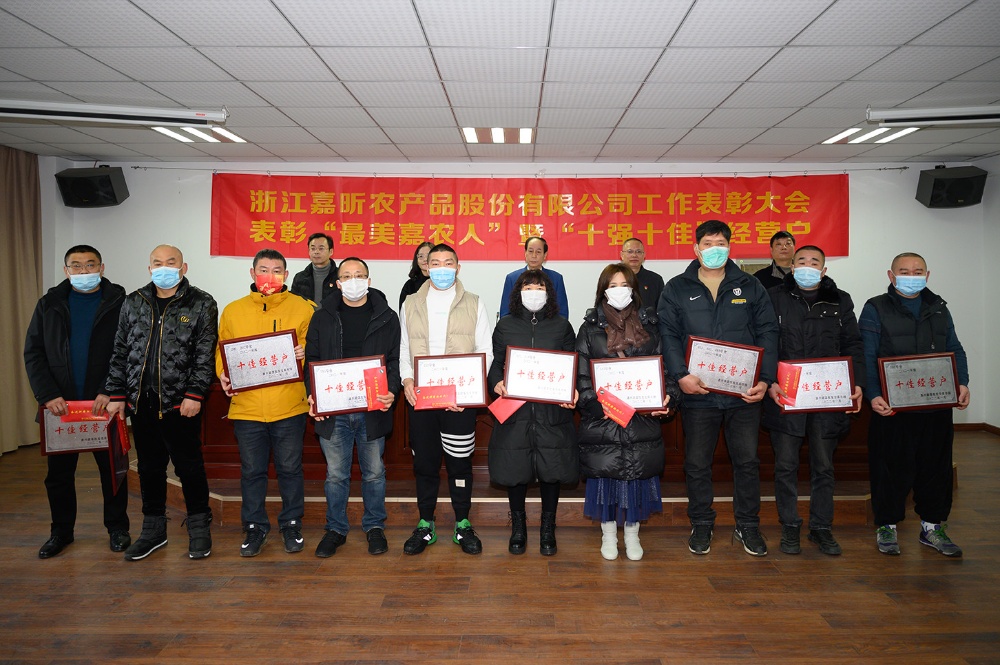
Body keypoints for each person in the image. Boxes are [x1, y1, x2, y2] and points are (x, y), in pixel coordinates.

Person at [658, 219, 778, 557]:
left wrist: (765, 379)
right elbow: (668, 334)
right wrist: (681, 375)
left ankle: (747, 525)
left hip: (744, 394)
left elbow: (768, 331)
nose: (715, 250)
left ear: (729, 247)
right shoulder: (677, 287)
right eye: (708, 244)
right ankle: (701, 522)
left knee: (747, 462)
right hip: (699, 393)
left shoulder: (750, 285)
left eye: (721, 243)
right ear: (696, 249)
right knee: (697, 463)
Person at [105, 245, 217, 561]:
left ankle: (199, 526)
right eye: (157, 263)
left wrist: (195, 393)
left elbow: (204, 354)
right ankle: (153, 530)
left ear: (183, 267)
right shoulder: (133, 302)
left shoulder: (201, 302)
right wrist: (116, 394)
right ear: (149, 268)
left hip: (181, 403)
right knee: (149, 468)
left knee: (189, 467)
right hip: (141, 403)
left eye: (171, 262)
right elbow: (120, 351)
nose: (163, 267)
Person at [859, 252, 969, 557]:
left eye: (918, 271)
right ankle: (887, 526)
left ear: (927, 275)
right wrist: (873, 394)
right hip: (892, 407)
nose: (912, 275)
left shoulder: (939, 307)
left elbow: (955, 348)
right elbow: (867, 354)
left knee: (936, 468)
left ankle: (932, 527)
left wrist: (962, 382)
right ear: (891, 275)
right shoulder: (875, 307)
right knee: (890, 468)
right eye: (904, 271)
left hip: (936, 405)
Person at [24, 245, 130, 559]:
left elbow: (128, 351)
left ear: (102, 267)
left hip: (105, 405)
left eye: (90, 265)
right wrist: (47, 395)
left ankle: (117, 528)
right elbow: (34, 352)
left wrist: (110, 390)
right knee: (58, 476)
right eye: (77, 266)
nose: (84, 271)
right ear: (66, 270)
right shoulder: (49, 304)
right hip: (61, 407)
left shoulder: (120, 302)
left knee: (113, 471)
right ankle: (61, 532)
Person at [763, 245, 865, 556]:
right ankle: (790, 526)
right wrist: (769, 381)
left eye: (815, 262)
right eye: (802, 261)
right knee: (785, 466)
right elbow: (764, 341)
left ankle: (821, 528)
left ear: (824, 270)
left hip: (826, 397)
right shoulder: (773, 297)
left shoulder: (840, 300)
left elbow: (853, 343)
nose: (808, 266)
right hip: (786, 394)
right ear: (792, 266)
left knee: (823, 466)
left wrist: (857, 383)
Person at [217, 249, 314, 557]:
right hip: (247, 407)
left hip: (289, 405)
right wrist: (223, 373)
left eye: (276, 270)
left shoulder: (304, 308)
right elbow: (222, 351)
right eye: (263, 270)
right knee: (252, 471)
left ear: (286, 275)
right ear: (252, 273)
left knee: (290, 469)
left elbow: (317, 347)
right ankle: (254, 527)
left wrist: (304, 351)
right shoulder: (233, 311)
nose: (269, 276)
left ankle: (291, 524)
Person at [577, 263, 677, 561]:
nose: (619, 290)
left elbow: (666, 370)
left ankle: (633, 535)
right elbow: (581, 376)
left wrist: (668, 398)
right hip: (604, 421)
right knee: (605, 479)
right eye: (613, 285)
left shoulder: (651, 326)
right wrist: (596, 405)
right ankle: (608, 535)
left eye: (625, 285)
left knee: (637, 477)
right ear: (603, 291)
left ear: (634, 289)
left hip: (640, 421)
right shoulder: (589, 328)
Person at [399, 243, 493, 555]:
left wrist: (470, 392)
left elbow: (486, 350)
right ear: (426, 267)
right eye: (435, 262)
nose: (441, 268)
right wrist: (407, 379)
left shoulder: (474, 302)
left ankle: (462, 524)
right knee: (425, 464)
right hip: (422, 400)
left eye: (448, 262)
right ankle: (425, 524)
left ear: (458, 267)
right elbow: (403, 349)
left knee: (459, 464)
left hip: (459, 402)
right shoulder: (411, 302)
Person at [306, 257, 401, 557]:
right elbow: (312, 360)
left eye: (359, 275)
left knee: (374, 472)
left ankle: (374, 527)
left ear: (368, 281)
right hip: (333, 410)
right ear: (337, 283)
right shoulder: (322, 317)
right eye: (346, 276)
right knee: (336, 474)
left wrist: (392, 390)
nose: (353, 281)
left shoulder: (387, 317)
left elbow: (395, 360)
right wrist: (313, 395)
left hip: (373, 407)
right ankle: (335, 529)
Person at [488, 270, 578, 556]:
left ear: (549, 293)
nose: (534, 292)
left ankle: (548, 528)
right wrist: (496, 383)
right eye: (528, 287)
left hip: (552, 413)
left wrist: (573, 390)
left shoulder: (562, 326)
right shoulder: (505, 326)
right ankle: (519, 527)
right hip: (516, 412)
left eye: (540, 287)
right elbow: (496, 364)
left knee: (552, 470)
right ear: (518, 293)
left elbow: (572, 365)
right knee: (516, 469)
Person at [499, 236, 569, 319]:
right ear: (525, 253)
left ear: (545, 255)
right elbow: (505, 313)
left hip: (549, 326)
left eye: (538, 252)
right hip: (518, 326)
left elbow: (562, 314)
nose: (534, 255)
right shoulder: (512, 278)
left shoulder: (556, 278)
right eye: (530, 251)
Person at [291, 232, 337, 304]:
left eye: (321, 248)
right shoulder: (300, 278)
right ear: (309, 252)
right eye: (313, 248)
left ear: (331, 252)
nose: (316, 252)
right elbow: (294, 304)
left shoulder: (340, 276)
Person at [621, 237, 664, 309]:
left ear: (644, 255)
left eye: (638, 252)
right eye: (630, 251)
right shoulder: (612, 278)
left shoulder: (655, 280)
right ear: (622, 255)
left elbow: (662, 308)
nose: (634, 255)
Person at [398, 241, 434, 310]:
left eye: (428, 256)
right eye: (421, 256)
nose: (425, 259)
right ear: (416, 260)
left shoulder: (441, 282)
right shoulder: (410, 285)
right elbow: (403, 311)